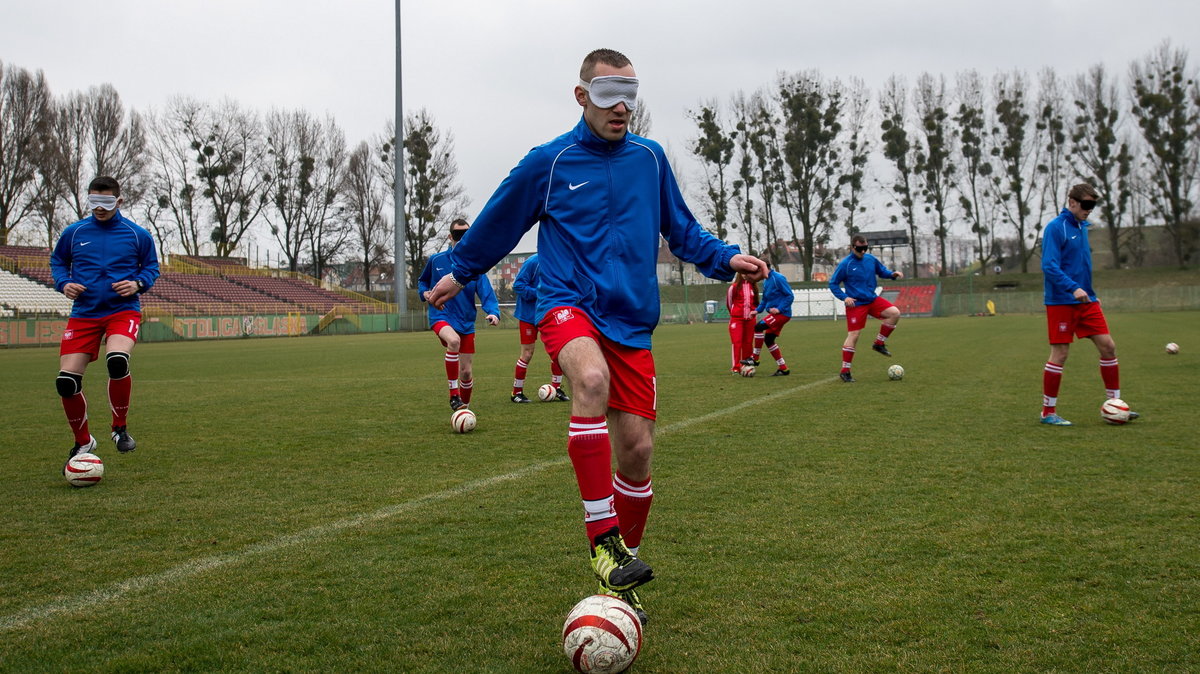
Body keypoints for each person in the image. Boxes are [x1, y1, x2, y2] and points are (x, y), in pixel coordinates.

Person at [426, 48, 768, 624]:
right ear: (581, 95)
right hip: (569, 303)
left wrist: (727, 257)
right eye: (609, 95)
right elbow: (499, 222)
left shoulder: (650, 159)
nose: (622, 109)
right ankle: (603, 542)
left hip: (631, 320)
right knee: (588, 378)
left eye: (631, 96)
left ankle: (622, 565)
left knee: (638, 450)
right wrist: (458, 272)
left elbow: (682, 230)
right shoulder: (549, 162)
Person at [51, 176, 160, 463]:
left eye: (106, 202)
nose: (99, 208)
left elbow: (151, 267)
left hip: (121, 311)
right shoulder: (73, 233)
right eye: (94, 202)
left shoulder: (137, 234)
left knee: (117, 360)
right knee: (66, 382)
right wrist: (63, 283)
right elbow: (58, 262)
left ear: (119, 201)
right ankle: (83, 442)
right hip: (84, 315)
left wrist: (138, 284)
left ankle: (119, 429)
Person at [1038, 183, 1138, 426]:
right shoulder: (1055, 227)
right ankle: (1048, 413)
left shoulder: (1082, 227)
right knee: (1060, 354)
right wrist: (1073, 288)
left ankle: (1114, 404)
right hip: (1062, 300)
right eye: (1086, 205)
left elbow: (1080, 265)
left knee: (1108, 346)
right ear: (1071, 202)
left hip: (1087, 300)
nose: (1089, 209)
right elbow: (1049, 265)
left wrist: (1090, 293)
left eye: (1093, 205)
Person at [418, 218, 500, 411]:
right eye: (458, 235)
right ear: (449, 236)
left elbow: (486, 292)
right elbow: (422, 282)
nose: (462, 239)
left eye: (466, 235)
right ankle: (454, 395)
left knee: (466, 372)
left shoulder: (475, 265)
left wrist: (493, 312)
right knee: (453, 341)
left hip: (466, 321)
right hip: (442, 316)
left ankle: (464, 410)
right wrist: (425, 293)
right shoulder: (436, 260)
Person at [828, 234, 903, 383]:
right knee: (854, 335)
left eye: (865, 248)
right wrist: (845, 298)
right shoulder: (846, 264)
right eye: (859, 248)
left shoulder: (870, 260)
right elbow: (833, 283)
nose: (863, 251)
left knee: (894, 313)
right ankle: (845, 371)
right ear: (852, 247)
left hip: (872, 299)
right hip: (856, 303)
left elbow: (882, 271)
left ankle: (879, 344)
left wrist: (892, 274)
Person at [510, 253, 570, 403]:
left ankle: (556, 388)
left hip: (548, 314)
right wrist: (539, 293)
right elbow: (518, 285)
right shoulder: (533, 262)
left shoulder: (560, 261)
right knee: (527, 353)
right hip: (528, 316)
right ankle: (516, 392)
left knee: (557, 350)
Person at [748, 263, 794, 376]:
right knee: (769, 340)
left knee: (758, 327)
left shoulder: (778, 278)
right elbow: (764, 299)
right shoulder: (766, 280)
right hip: (776, 314)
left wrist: (779, 309)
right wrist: (757, 311)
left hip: (782, 314)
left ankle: (755, 358)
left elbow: (790, 296)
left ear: (764, 268)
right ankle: (783, 368)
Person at [726, 273, 758, 374]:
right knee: (737, 342)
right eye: (743, 272)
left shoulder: (753, 286)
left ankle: (746, 365)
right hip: (737, 319)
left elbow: (756, 302)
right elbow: (729, 303)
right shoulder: (733, 287)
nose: (745, 275)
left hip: (750, 320)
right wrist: (735, 313)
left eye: (747, 272)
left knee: (748, 343)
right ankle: (735, 367)